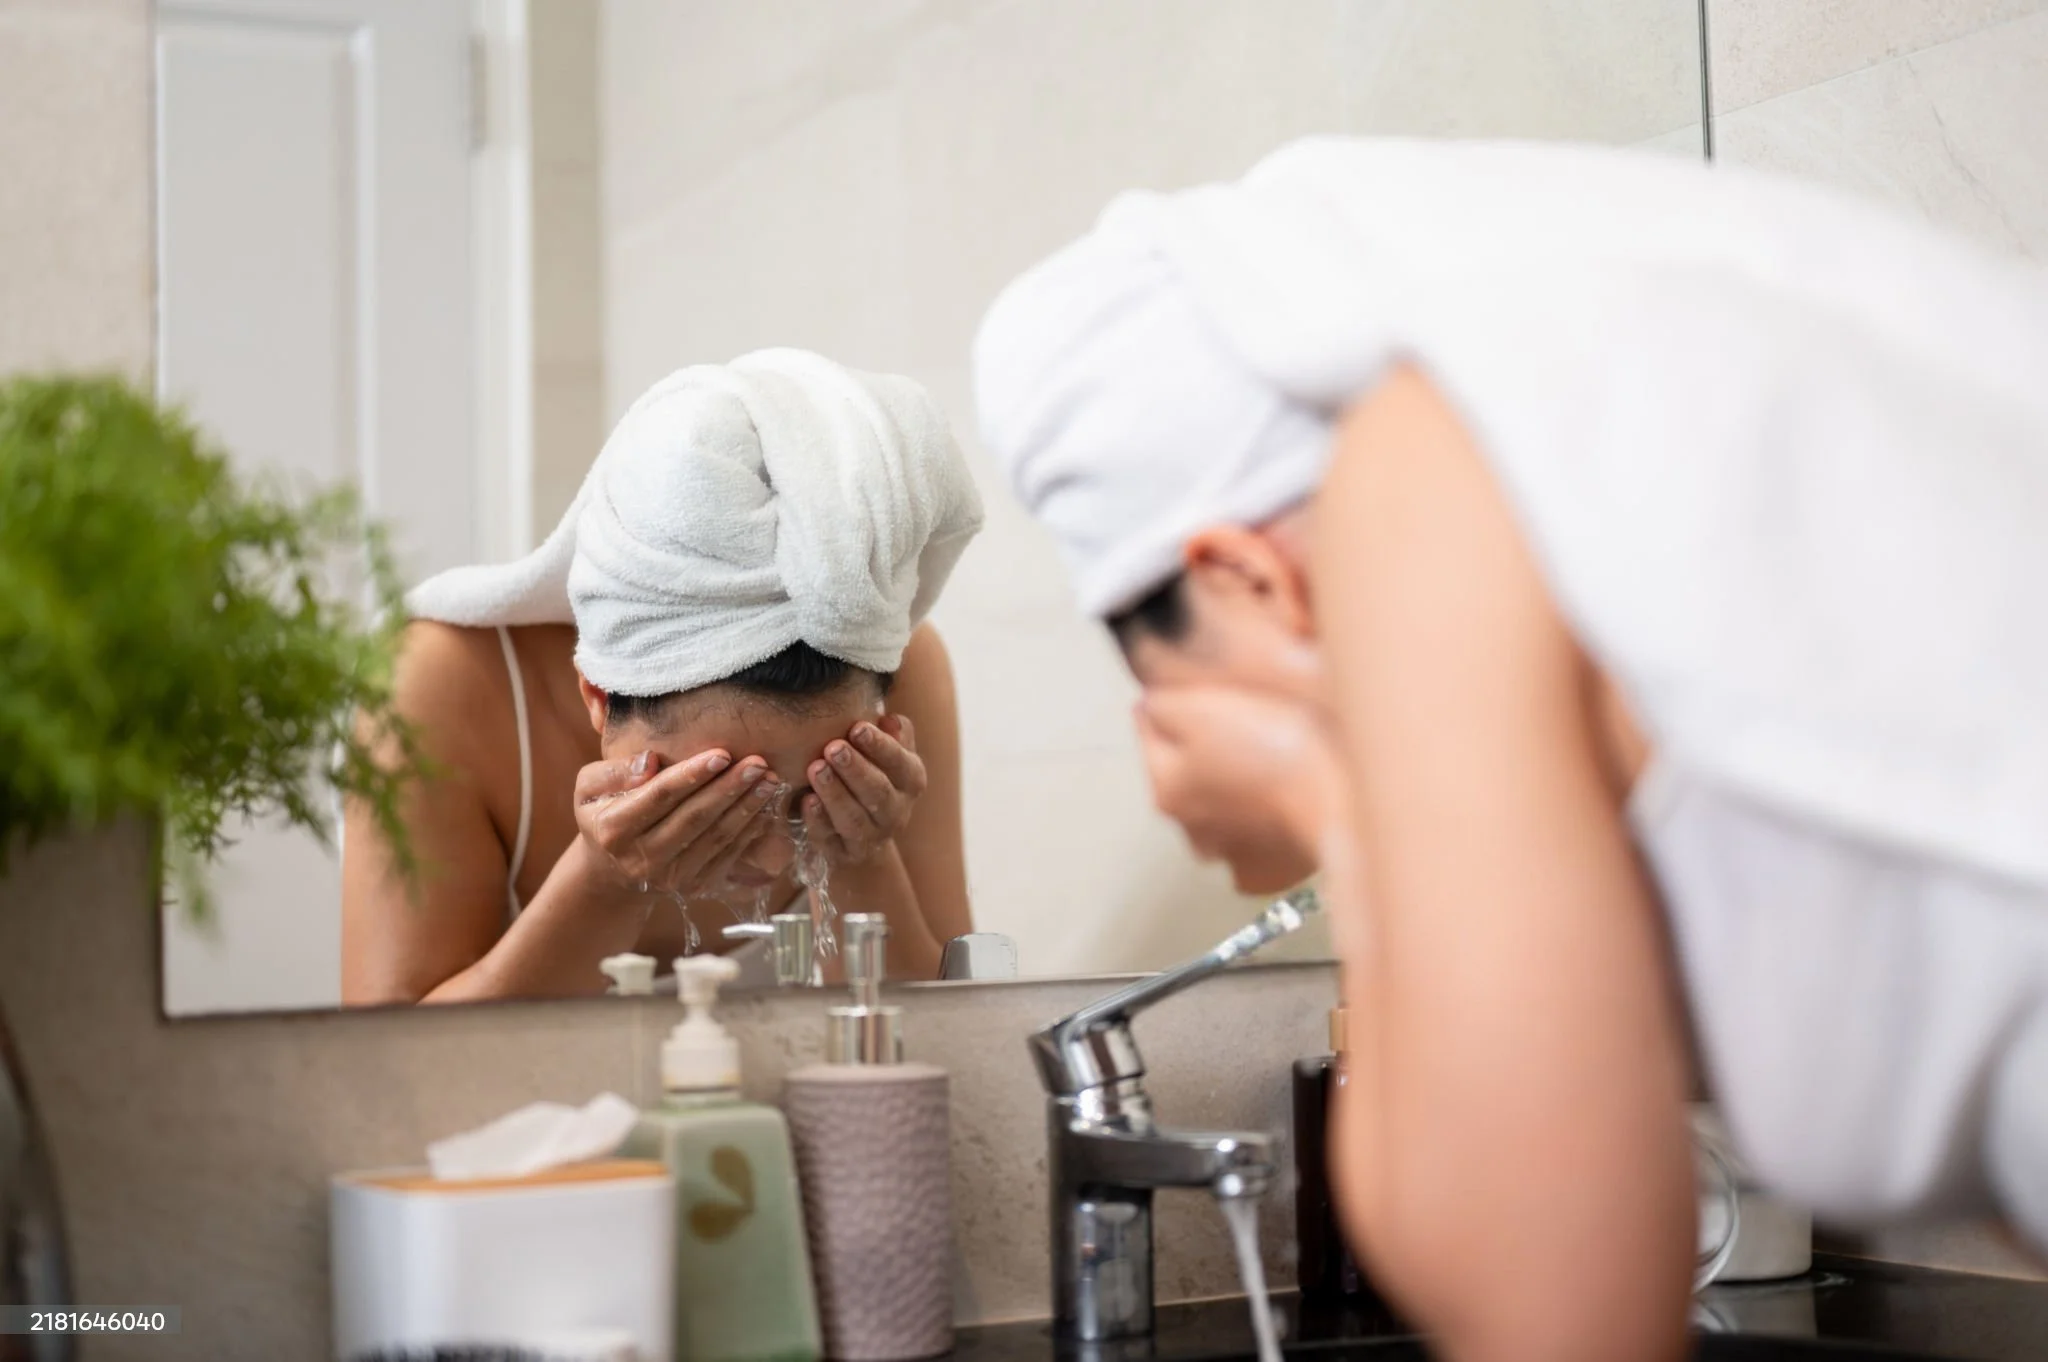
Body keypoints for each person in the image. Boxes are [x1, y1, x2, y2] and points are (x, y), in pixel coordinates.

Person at [973, 137, 2048, 1362]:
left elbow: (1556, 1302)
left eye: (1160, 689)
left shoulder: (1419, 464)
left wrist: (1329, 796)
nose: (1157, 755)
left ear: (1249, 579)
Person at [343, 349, 983, 1004]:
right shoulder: (441, 689)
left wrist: (859, 856)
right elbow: (384, 1081)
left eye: (802, 807)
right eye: (706, 798)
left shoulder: (905, 674)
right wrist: (600, 884)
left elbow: (944, 1050)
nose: (766, 861)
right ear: (596, 692)